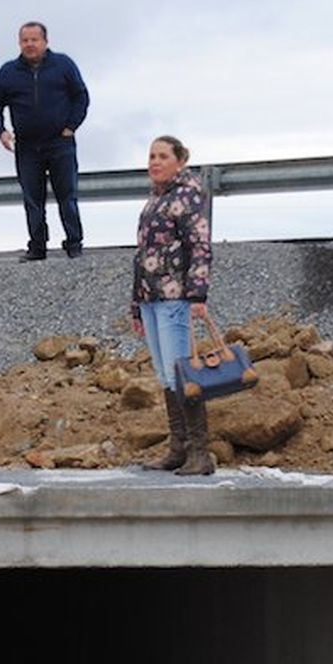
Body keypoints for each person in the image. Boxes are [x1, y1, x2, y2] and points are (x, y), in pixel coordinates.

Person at [131, 135, 214, 476]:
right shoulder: (155, 200)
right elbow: (142, 255)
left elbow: (199, 244)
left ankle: (200, 453)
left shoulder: (188, 194)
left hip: (175, 296)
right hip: (151, 298)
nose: (155, 161)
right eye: (151, 155)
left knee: (182, 373)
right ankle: (178, 449)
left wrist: (197, 294)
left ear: (180, 161)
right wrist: (136, 304)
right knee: (167, 375)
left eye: (163, 156)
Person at [0, 21, 90, 261]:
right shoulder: (8, 72)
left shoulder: (63, 65)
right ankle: (37, 246)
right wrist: (0, 131)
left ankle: (74, 244)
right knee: (33, 199)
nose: (30, 44)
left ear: (45, 41)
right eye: (25, 40)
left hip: (60, 143)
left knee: (68, 196)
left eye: (34, 39)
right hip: (27, 146)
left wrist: (71, 126)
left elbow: (81, 96)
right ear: (19, 43)